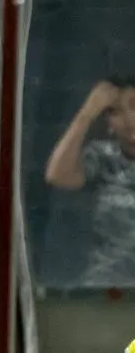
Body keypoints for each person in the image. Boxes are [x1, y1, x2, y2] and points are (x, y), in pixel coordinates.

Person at [45, 77, 135, 285]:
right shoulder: (103, 156)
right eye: (116, 112)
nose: (130, 120)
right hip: (109, 291)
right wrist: (87, 113)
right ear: (108, 124)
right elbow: (58, 175)